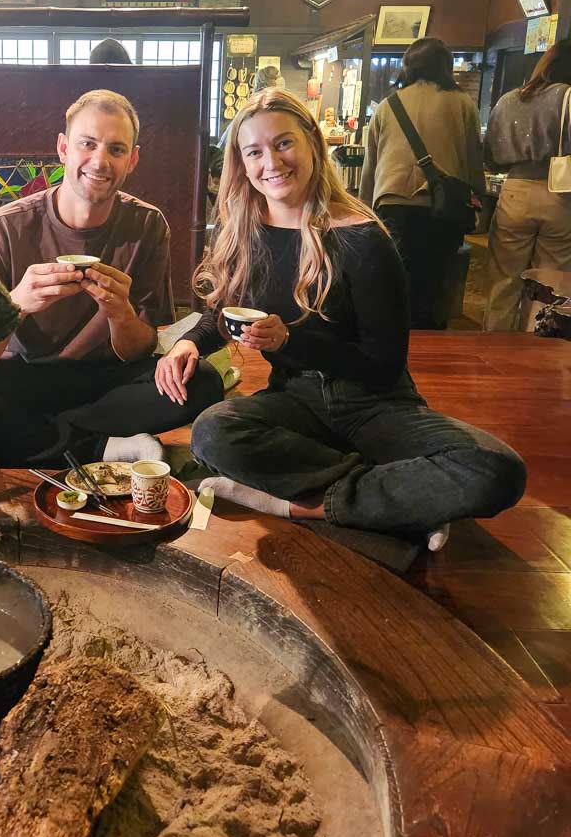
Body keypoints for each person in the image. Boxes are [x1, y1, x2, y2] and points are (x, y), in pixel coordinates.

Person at [157, 89, 525, 549]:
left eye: (284, 143)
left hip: (375, 405)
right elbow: (224, 310)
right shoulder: (248, 230)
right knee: (213, 432)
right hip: (295, 400)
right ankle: (397, 499)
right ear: (242, 164)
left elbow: (383, 365)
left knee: (497, 469)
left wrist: (290, 341)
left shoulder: (364, 238)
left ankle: (305, 504)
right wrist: (189, 342)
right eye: (254, 152)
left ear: (313, 142)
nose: (271, 162)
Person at [0, 89, 223, 467]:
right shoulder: (3, 230)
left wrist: (121, 314)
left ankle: (15, 439)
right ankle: (96, 447)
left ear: (132, 160)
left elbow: (139, 350)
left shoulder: (147, 226)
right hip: (17, 375)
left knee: (202, 382)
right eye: (87, 144)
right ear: (63, 148)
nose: (100, 161)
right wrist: (14, 306)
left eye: (116, 149)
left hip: (101, 378)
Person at [359, 37, 483, 329]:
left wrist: (364, 212)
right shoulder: (463, 104)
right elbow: (472, 159)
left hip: (392, 204)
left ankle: (394, 337)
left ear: (408, 67)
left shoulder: (387, 106)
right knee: (434, 282)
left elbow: (371, 166)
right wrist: (477, 201)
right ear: (445, 66)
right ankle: (430, 340)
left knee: (392, 279)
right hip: (441, 208)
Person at [484, 40, 571, 331]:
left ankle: (493, 346)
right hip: (560, 195)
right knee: (548, 284)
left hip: (515, 191)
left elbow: (491, 157)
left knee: (503, 280)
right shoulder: (568, 96)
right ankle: (535, 346)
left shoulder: (509, 99)